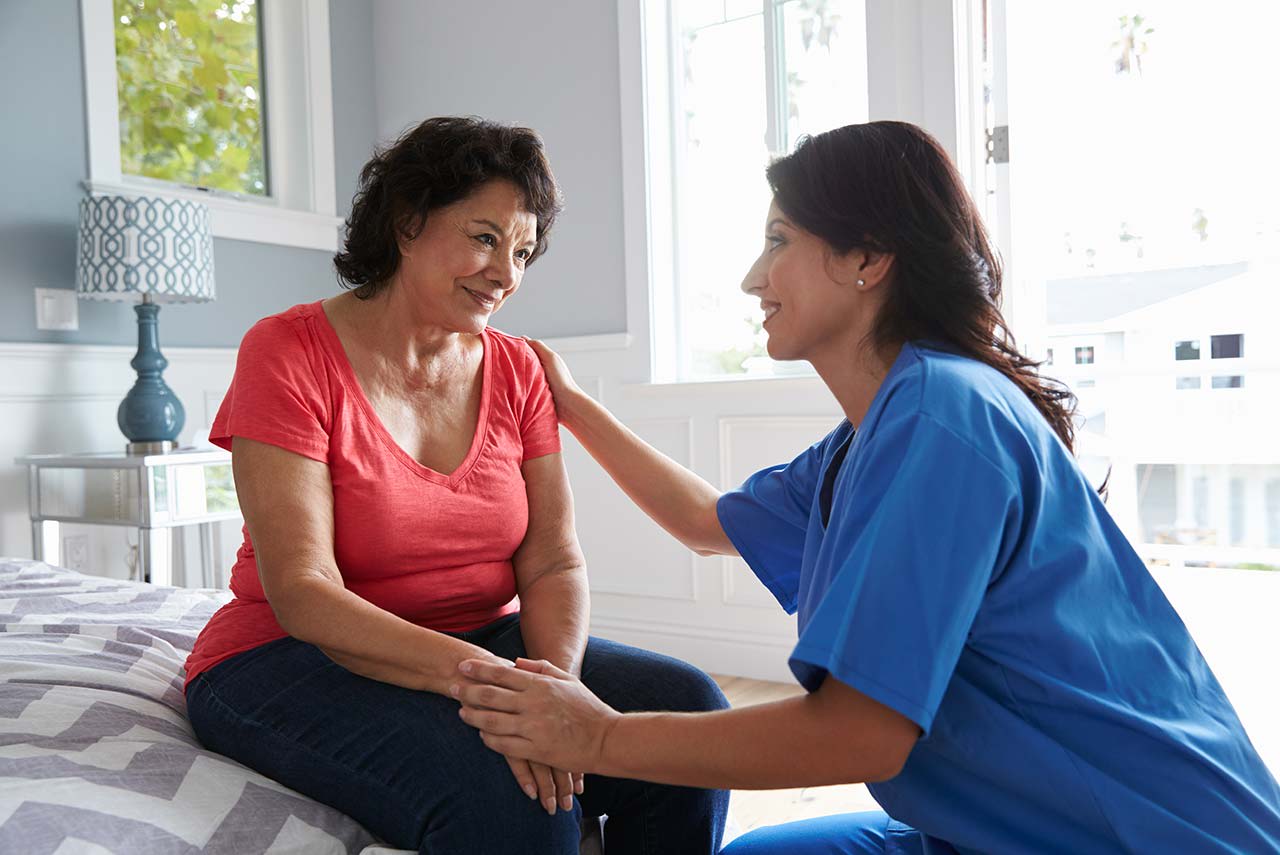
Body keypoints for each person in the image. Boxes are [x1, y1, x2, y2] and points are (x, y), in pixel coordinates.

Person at [453, 121, 1280, 854]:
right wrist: (570, 401)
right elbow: (705, 521)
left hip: (1138, 833)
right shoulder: (878, 429)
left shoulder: (943, 418)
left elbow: (858, 735)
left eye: (779, 239)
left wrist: (599, 739)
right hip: (981, 824)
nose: (752, 276)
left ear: (868, 257)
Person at [183, 116, 729, 855]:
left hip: (480, 641)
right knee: (508, 794)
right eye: (484, 237)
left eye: (524, 251)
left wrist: (552, 689)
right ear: (408, 224)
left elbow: (552, 561)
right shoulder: (287, 351)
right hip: (289, 656)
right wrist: (498, 692)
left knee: (690, 714)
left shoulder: (517, 368)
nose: (506, 273)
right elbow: (303, 588)